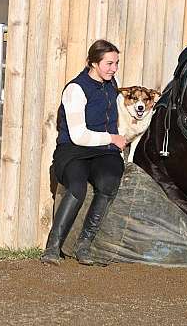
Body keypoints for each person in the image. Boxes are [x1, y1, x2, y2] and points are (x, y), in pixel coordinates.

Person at [41, 39, 128, 266]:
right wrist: (112, 138)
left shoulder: (111, 84)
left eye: (116, 63)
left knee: (109, 180)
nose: (114, 68)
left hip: (103, 152)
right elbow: (79, 135)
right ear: (92, 63)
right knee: (77, 186)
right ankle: (52, 247)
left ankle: (84, 245)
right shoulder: (76, 89)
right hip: (73, 150)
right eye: (109, 63)